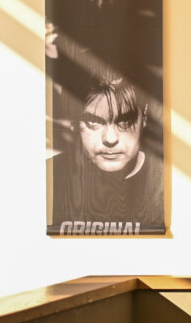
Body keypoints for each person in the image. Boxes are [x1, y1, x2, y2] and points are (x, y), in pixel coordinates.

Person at [60, 74, 164, 232]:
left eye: (125, 121)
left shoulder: (167, 184)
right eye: (93, 121)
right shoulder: (54, 176)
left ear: (144, 117)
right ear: (73, 122)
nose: (110, 139)